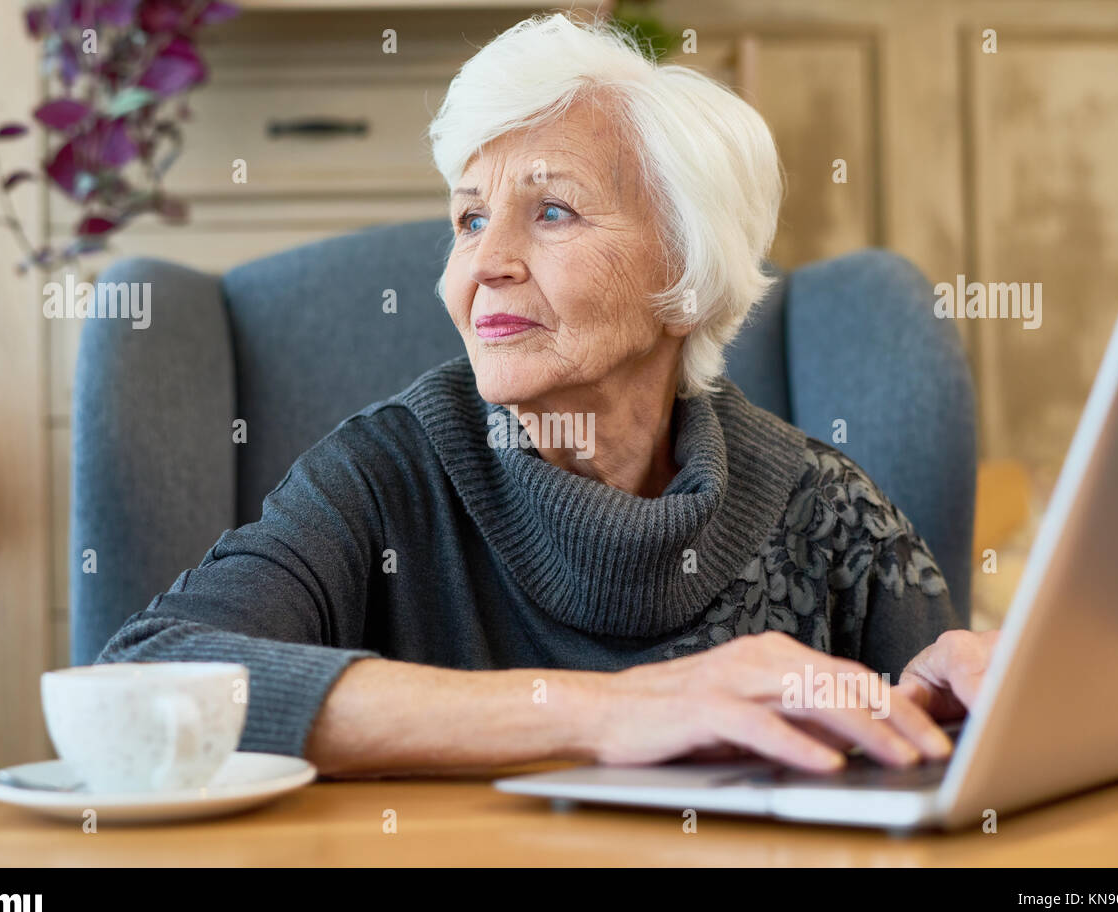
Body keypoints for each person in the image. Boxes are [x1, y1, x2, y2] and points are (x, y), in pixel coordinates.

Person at [97, 12, 998, 777]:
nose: (484, 265)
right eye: (469, 217)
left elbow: (939, 774)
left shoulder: (828, 510)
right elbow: (142, 682)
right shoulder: (382, 478)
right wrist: (607, 713)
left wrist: (966, 704)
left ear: (685, 272)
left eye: (553, 211)